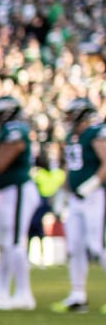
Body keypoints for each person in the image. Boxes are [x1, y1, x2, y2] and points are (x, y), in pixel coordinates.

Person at [0, 96, 37, 310]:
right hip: (6, 190)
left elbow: (2, 162)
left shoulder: (15, 130)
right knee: (5, 244)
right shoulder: (7, 131)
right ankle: (1, 291)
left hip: (18, 189)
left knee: (15, 243)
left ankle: (24, 293)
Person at [56, 98, 106, 313]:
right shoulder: (72, 137)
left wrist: (93, 183)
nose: (68, 119)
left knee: (97, 245)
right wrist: (63, 192)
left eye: (70, 114)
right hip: (76, 198)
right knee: (75, 246)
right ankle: (78, 295)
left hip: (95, 196)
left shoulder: (96, 132)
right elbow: (71, 167)